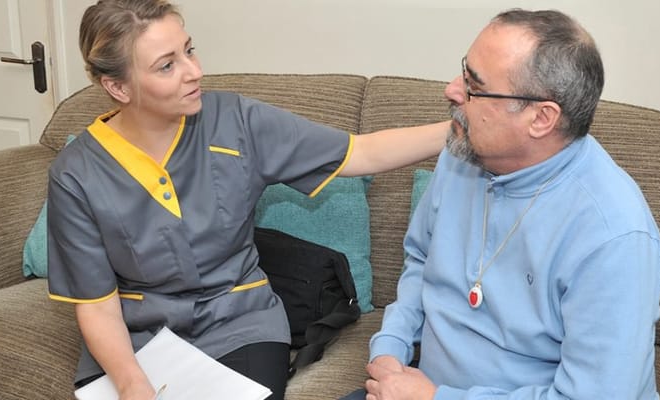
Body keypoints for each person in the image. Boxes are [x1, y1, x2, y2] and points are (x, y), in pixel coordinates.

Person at [45, 1, 450, 400]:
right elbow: (96, 305)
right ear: (117, 87)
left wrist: (459, 129)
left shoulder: (235, 121)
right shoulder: (75, 174)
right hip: (138, 336)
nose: (195, 72)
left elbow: (361, 153)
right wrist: (131, 382)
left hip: (240, 322)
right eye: (167, 65)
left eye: (189, 50)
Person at [342, 8, 660, 400]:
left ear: (541, 118)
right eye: (464, 71)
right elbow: (421, 260)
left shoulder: (614, 236)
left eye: (474, 87)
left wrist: (434, 398)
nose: (451, 90)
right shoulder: (464, 152)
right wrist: (390, 348)